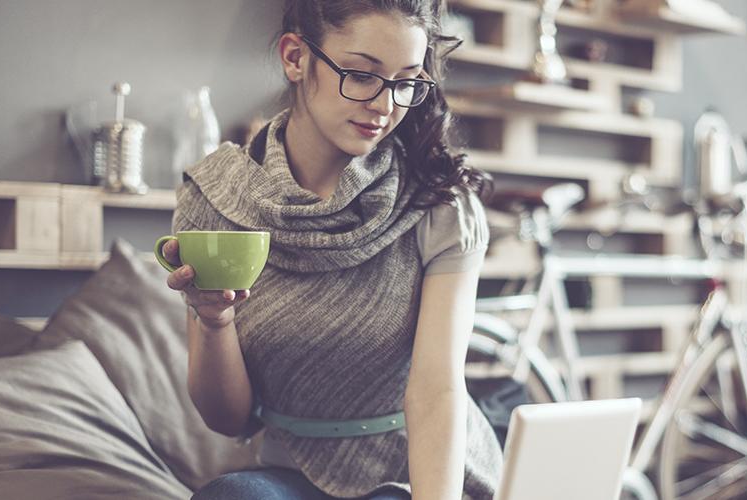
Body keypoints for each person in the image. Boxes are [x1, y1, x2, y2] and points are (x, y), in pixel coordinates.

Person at [157, 1, 502, 498]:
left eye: (406, 81)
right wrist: (214, 322)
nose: (386, 106)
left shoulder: (439, 205)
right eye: (362, 75)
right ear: (296, 58)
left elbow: (436, 392)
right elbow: (226, 420)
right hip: (288, 472)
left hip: (411, 472)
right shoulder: (217, 198)